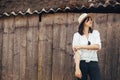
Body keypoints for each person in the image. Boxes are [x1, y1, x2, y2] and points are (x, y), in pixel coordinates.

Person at [72, 13, 102, 80]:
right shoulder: (77, 35)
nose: (90, 21)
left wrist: (81, 47)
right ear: (83, 23)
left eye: (91, 19)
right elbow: (77, 52)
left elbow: (97, 46)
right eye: (88, 20)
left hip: (93, 62)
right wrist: (77, 68)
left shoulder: (95, 33)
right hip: (82, 63)